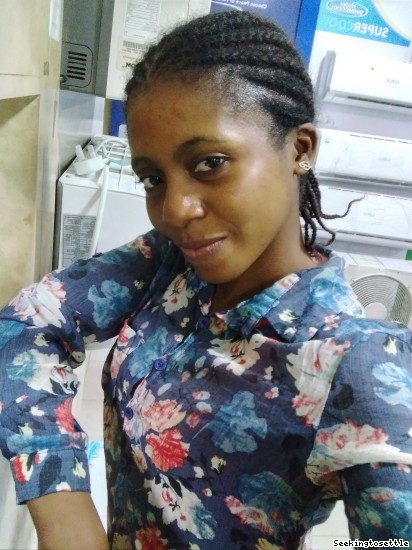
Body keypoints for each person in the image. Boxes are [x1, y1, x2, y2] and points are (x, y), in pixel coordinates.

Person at [1, 10, 412, 550]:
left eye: (210, 163)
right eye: (153, 178)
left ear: (300, 149)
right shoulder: (170, 263)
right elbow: (25, 323)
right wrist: (65, 510)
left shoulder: (356, 362)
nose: (174, 210)